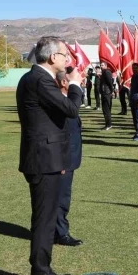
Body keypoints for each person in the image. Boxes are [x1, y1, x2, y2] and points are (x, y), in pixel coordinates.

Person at [16, 36, 81, 275]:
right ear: (53, 57)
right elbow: (70, 109)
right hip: (43, 160)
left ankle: (44, 270)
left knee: (47, 218)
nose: (67, 59)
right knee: (44, 222)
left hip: (48, 158)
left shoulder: (35, 79)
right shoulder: (40, 79)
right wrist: (75, 85)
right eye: (65, 55)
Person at [54, 68, 84, 247]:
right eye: (72, 80)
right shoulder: (59, 103)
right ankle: (60, 233)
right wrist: (60, 160)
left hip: (67, 157)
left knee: (62, 196)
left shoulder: (64, 101)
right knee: (60, 197)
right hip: (62, 159)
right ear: (64, 82)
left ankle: (56, 230)